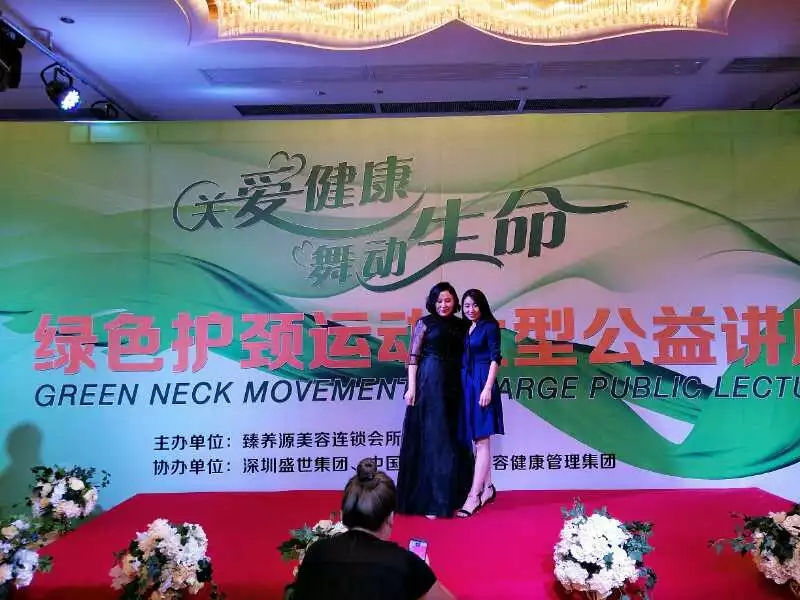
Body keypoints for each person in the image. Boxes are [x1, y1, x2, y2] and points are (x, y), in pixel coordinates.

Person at [292, 458, 456, 600]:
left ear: (343, 515)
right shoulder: (406, 564)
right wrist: (424, 573)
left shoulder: (316, 552)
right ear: (390, 517)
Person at [396, 282, 474, 519]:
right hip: (430, 383)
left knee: (454, 439)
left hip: (457, 384)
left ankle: (455, 496)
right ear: (433, 302)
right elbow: (413, 358)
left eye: (448, 300)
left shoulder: (464, 324)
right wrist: (411, 388)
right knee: (433, 439)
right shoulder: (424, 323)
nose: (443, 305)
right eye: (439, 301)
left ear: (455, 301)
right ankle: (432, 500)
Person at [455, 289, 504, 518]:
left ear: (482, 305)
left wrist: (487, 388)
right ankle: (488, 487)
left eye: (475, 305)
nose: (470, 309)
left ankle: (473, 496)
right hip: (468, 383)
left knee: (482, 440)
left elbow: (496, 358)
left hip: (482, 382)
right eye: (466, 306)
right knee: (477, 440)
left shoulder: (490, 327)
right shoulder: (467, 327)